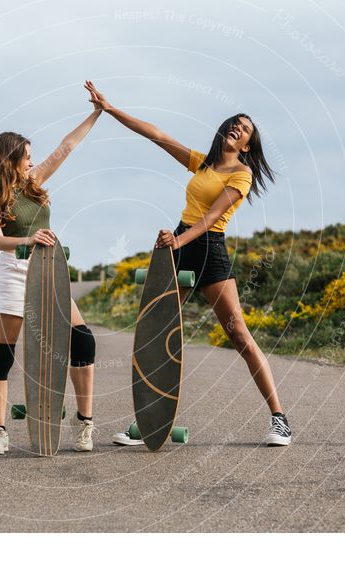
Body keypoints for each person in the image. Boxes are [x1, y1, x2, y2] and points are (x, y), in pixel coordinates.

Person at [85, 80, 292, 447]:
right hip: (180, 244)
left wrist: (178, 240)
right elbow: (157, 135)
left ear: (247, 145)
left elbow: (212, 217)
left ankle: (279, 419)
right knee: (158, 334)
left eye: (245, 129)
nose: (238, 128)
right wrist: (111, 109)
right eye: (236, 122)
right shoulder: (202, 163)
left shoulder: (240, 175)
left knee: (239, 335)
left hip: (208, 250)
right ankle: (147, 422)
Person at [0, 98, 100, 455]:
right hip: (13, 274)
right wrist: (28, 239)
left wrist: (97, 112)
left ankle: (84, 422)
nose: (31, 160)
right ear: (9, 159)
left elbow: (67, 147)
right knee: (3, 356)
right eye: (26, 156)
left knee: (83, 341)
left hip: (47, 272)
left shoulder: (34, 181)